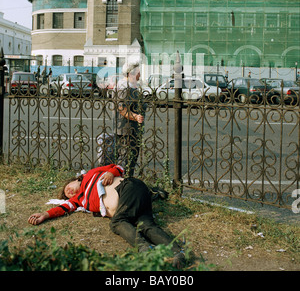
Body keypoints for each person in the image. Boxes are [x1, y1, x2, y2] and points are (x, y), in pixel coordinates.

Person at [27, 164, 185, 267]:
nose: (68, 192)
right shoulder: (79, 200)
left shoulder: (90, 175)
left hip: (129, 188)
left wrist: (110, 173)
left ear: (76, 179)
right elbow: (63, 208)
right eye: (66, 195)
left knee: (117, 223)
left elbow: (118, 167)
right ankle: (178, 252)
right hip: (132, 205)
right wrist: (44, 215)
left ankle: (145, 249)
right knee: (147, 225)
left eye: (68, 187)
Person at [116, 62, 147, 176]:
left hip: (133, 129)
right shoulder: (124, 87)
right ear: (131, 73)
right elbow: (121, 108)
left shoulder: (131, 86)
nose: (140, 75)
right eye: (138, 72)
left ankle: (127, 181)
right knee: (126, 160)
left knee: (131, 159)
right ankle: (123, 183)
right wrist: (135, 117)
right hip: (127, 129)